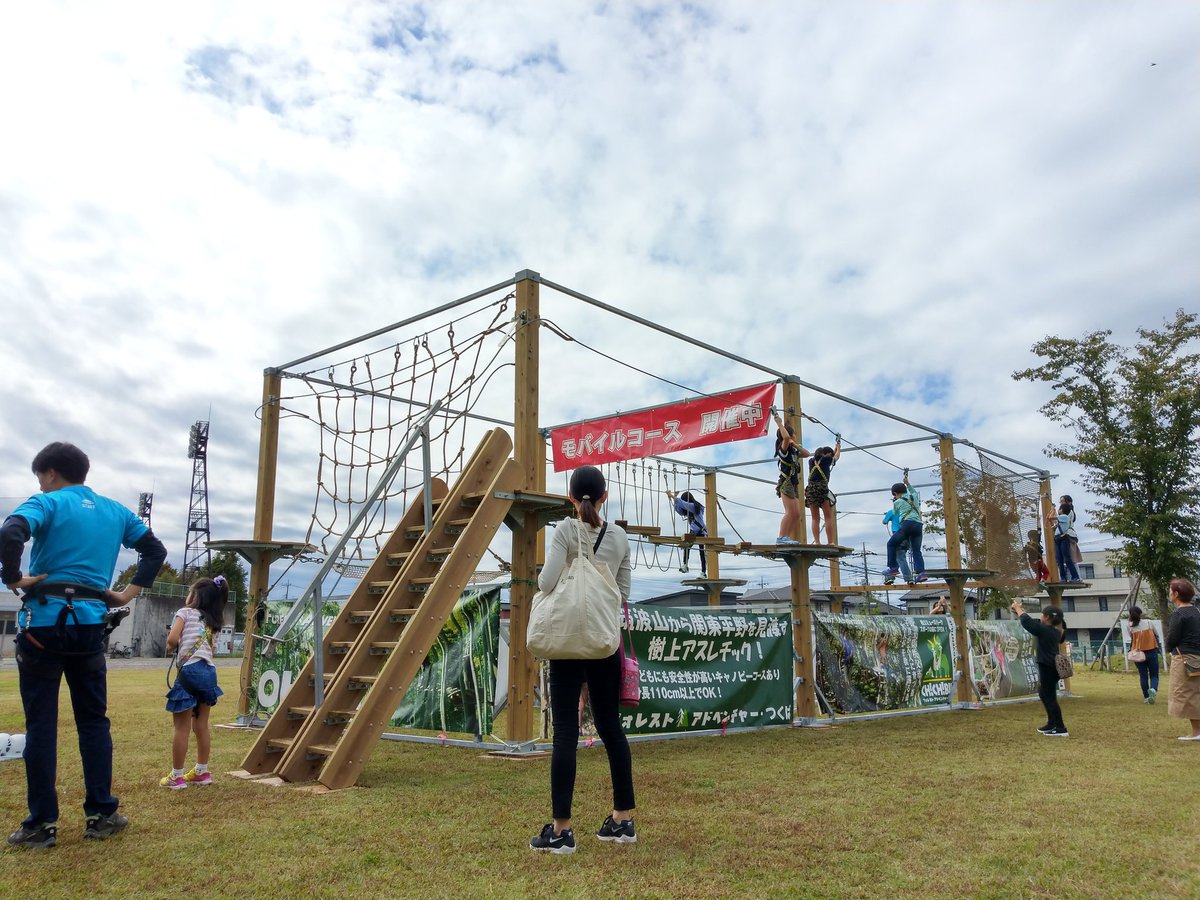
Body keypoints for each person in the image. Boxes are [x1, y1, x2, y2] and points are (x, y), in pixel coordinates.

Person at [2, 442, 167, 848]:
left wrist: (12, 577)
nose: (40, 485)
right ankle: (101, 814)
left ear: (51, 473)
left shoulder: (49, 503)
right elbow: (155, 549)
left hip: (43, 624)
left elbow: (11, 532)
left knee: (41, 725)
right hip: (90, 626)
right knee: (93, 721)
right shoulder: (115, 511)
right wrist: (127, 594)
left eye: (41, 478)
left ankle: (41, 825)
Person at [530, 465, 636, 854]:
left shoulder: (564, 530)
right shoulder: (621, 537)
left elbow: (546, 582)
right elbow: (622, 591)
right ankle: (622, 821)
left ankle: (561, 831)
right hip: (604, 643)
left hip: (567, 643)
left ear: (571, 498)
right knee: (611, 729)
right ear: (604, 496)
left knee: (565, 735)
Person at [160, 575, 228, 789]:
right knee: (201, 725)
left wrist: (172, 647)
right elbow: (212, 650)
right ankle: (201, 771)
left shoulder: (184, 613)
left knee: (182, 727)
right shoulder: (214, 622)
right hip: (209, 672)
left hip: (189, 671)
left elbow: (172, 640)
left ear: (195, 596)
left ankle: (176, 776)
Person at [1011, 599, 1069, 737]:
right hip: (1050, 666)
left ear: (1047, 617)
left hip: (1048, 666)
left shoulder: (1046, 631)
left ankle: (1060, 727)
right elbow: (1031, 621)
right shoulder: (1054, 631)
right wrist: (1019, 611)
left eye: (1042, 615)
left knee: (1049, 697)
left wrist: (1018, 608)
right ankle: (1051, 723)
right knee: (1045, 694)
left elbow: (1028, 623)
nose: (1041, 617)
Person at [1165, 578, 1200, 741]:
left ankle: (1196, 732)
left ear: (1176, 594)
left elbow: (1172, 637)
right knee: (1196, 693)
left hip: (1184, 657)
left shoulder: (1179, 614)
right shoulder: (1196, 612)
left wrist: (1167, 648)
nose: (1169, 594)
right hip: (1197, 656)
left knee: (1185, 694)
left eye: (1170, 591)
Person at [771, 410, 811, 545]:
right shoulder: (784, 451)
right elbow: (786, 439)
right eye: (794, 434)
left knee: (797, 514)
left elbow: (806, 454)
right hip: (786, 484)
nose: (794, 436)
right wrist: (779, 423)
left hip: (792, 485)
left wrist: (795, 444)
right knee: (790, 512)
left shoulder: (793, 451)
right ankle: (781, 537)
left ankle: (785, 537)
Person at [881, 474, 927, 584]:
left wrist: (895, 503)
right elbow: (913, 491)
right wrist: (908, 483)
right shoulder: (914, 496)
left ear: (895, 494)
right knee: (916, 551)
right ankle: (921, 574)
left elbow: (895, 512)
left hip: (907, 525)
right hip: (918, 526)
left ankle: (893, 568)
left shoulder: (897, 502)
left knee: (891, 544)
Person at [805, 439, 842, 544]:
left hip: (811, 490)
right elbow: (836, 457)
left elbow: (829, 455)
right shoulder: (827, 460)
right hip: (822, 489)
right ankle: (831, 542)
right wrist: (838, 448)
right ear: (827, 454)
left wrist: (834, 449)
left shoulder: (811, 461)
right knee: (828, 517)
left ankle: (817, 542)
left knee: (815, 519)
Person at [666, 489, 707, 575]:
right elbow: (678, 509)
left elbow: (683, 504)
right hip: (694, 531)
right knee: (686, 547)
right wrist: (673, 497)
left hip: (701, 532)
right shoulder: (689, 510)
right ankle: (685, 564)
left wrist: (673, 496)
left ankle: (703, 572)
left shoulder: (694, 507)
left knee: (702, 552)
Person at [1127, 605, 1161, 704]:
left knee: (1143, 676)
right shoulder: (1148, 623)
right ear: (1140, 613)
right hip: (1151, 651)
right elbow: (1156, 633)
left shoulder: (1131, 627)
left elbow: (1132, 638)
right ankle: (1153, 689)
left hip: (1138, 654)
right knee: (1154, 674)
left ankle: (1146, 697)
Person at [1051, 496, 1081, 583]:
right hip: (1062, 536)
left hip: (1067, 536)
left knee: (1070, 558)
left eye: (1062, 501)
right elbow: (1056, 523)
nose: (1061, 503)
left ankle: (1077, 577)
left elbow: (1057, 519)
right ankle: (1068, 577)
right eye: (1060, 502)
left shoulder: (1068, 513)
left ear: (1068, 502)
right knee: (1064, 558)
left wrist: (1053, 510)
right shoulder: (1065, 514)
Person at [882, 505, 913, 585]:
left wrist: (887, 515)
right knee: (898, 555)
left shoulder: (891, 511)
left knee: (900, 557)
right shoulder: (906, 512)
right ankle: (890, 577)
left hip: (897, 535)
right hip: (907, 537)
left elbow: (884, 522)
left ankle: (909, 578)